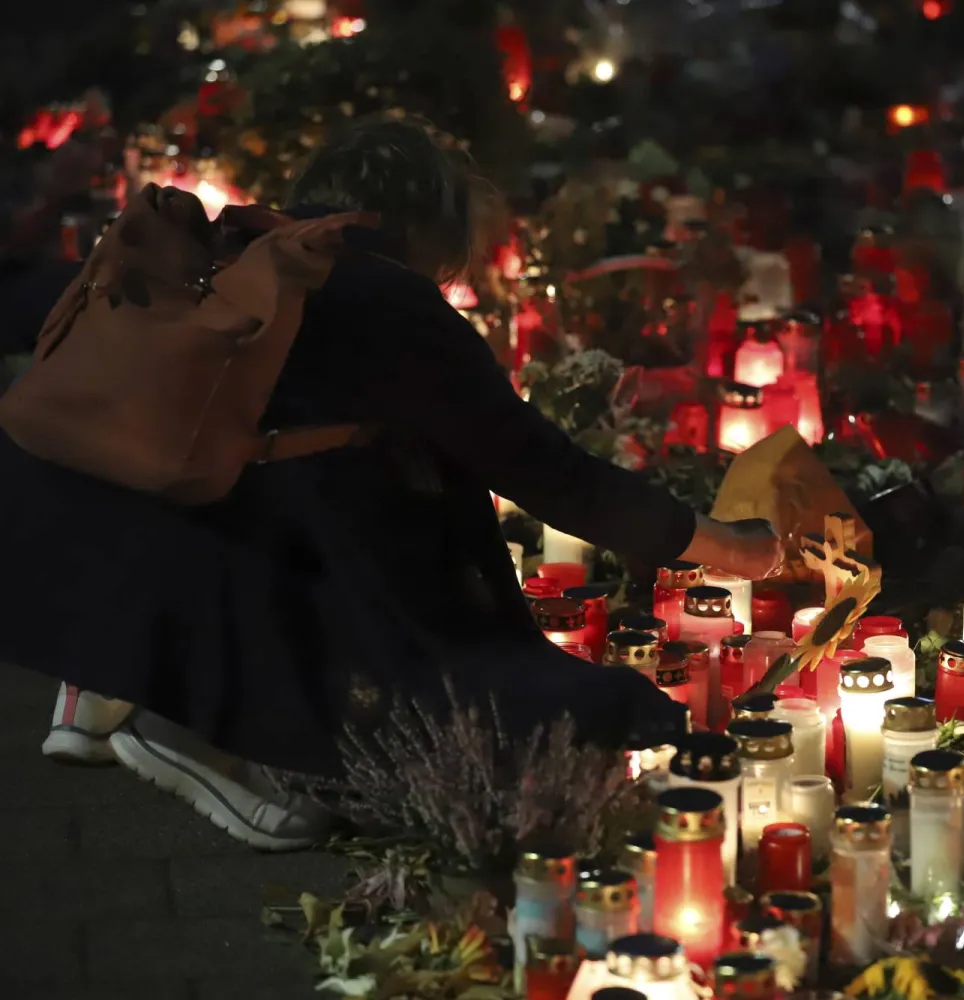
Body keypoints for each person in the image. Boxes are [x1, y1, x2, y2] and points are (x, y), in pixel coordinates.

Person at [0, 118, 781, 850]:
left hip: (90, 557)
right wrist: (726, 549)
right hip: (267, 584)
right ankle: (187, 723)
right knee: (565, 719)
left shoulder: (228, 259)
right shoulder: (385, 298)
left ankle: (148, 683)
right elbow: (550, 473)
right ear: (425, 221)